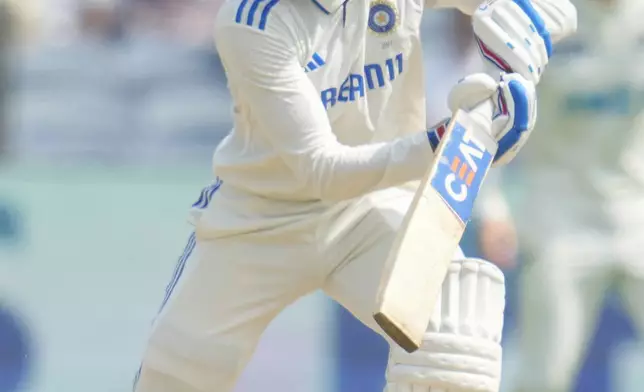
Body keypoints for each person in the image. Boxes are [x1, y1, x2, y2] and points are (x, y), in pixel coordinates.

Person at [133, 0, 576, 391]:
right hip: (260, 219)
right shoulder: (251, 21)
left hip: (374, 204)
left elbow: (530, 11)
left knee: (454, 338)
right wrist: (458, 139)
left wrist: (532, 22)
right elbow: (324, 171)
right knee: (180, 375)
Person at [475, 0, 644, 391]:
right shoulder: (545, 18)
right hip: (559, 222)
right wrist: (493, 208)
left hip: (636, 214)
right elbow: (494, 117)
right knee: (543, 376)